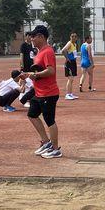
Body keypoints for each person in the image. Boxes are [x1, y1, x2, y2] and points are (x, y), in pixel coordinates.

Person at [22, 25, 62, 159]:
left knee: (49, 120)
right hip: (39, 92)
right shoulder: (39, 52)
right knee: (32, 115)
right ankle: (46, 142)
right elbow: (38, 70)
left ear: (41, 36)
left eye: (33, 36)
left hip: (49, 92)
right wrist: (29, 74)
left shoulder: (48, 51)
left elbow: (51, 71)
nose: (31, 39)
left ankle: (56, 149)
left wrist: (36, 75)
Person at [61, 32, 79, 100]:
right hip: (69, 63)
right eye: (72, 36)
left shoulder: (75, 44)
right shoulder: (69, 43)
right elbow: (63, 50)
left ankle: (70, 93)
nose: (73, 37)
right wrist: (67, 58)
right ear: (70, 37)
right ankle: (67, 94)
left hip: (73, 62)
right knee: (70, 78)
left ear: (76, 38)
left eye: (75, 36)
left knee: (72, 79)